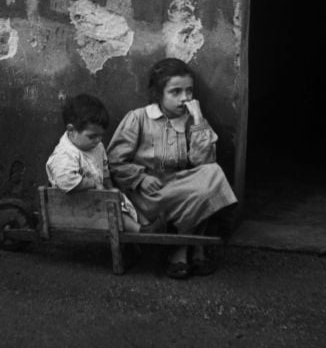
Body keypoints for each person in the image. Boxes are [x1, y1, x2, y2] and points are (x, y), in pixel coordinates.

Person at [107, 57, 237, 279]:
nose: (184, 98)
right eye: (175, 92)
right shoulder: (138, 119)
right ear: (159, 94)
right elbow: (114, 161)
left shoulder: (190, 121)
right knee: (201, 189)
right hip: (148, 195)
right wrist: (140, 177)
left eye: (189, 91)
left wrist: (197, 119)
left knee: (212, 174)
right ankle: (190, 248)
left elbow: (203, 161)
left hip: (179, 189)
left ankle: (182, 248)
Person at [46, 93, 140, 231]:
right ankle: (140, 231)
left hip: (95, 200)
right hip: (75, 206)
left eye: (101, 135)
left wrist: (110, 187)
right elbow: (66, 181)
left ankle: (143, 229)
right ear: (71, 130)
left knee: (123, 202)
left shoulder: (96, 146)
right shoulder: (65, 154)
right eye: (92, 136)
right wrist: (94, 184)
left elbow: (104, 168)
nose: (98, 140)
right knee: (114, 214)